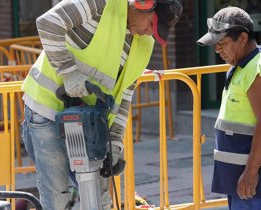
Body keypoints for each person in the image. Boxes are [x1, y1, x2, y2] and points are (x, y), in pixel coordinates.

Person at [21, 0, 182, 209]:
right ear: (143, 5)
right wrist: (69, 73)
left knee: (99, 199)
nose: (149, 32)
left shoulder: (144, 44)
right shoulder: (101, 3)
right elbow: (48, 23)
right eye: (151, 24)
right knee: (56, 198)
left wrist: (115, 142)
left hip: (89, 122)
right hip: (47, 110)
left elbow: (124, 94)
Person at [197, 6, 261, 210]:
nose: (218, 50)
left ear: (243, 38)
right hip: (245, 180)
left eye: (223, 44)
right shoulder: (242, 66)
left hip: (256, 182)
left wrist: (250, 173)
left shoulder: (258, 69)